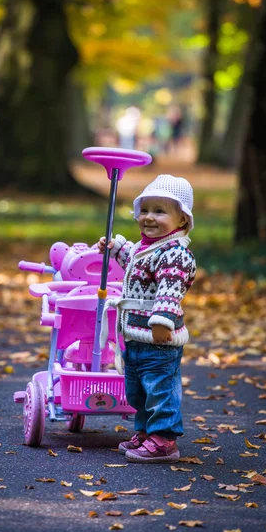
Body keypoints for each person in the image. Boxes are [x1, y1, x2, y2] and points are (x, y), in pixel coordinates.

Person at [98, 174, 196, 464]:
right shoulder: (147, 248)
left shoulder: (176, 254)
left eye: (160, 211)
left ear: (181, 220)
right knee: (138, 391)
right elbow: (133, 260)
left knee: (160, 388)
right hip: (135, 337)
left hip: (158, 338)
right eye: (144, 210)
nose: (149, 217)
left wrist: (162, 321)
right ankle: (145, 432)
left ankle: (164, 439)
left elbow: (170, 288)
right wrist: (115, 248)